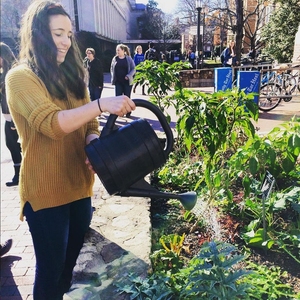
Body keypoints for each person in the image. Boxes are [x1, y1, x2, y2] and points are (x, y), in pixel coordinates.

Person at [5, 2, 135, 299]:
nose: (65, 41)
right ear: (38, 35)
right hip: (46, 193)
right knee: (50, 271)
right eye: (57, 33)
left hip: (80, 187)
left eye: (69, 34)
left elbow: (89, 125)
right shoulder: (20, 77)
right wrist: (102, 104)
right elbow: (52, 124)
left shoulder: (75, 74)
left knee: (68, 269)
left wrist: (92, 144)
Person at [0, 42, 22, 187]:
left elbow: (17, 98)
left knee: (19, 147)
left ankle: (22, 175)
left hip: (16, 119)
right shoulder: (3, 73)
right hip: (8, 119)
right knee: (11, 146)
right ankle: (18, 175)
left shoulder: (13, 73)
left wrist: (15, 120)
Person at [110, 43, 136, 117]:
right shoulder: (115, 59)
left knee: (127, 97)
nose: (117, 52)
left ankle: (128, 112)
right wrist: (113, 77)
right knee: (118, 98)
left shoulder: (128, 59)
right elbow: (112, 69)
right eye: (116, 50)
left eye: (119, 50)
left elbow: (133, 69)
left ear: (123, 51)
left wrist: (128, 76)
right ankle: (119, 112)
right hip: (118, 81)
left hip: (127, 82)